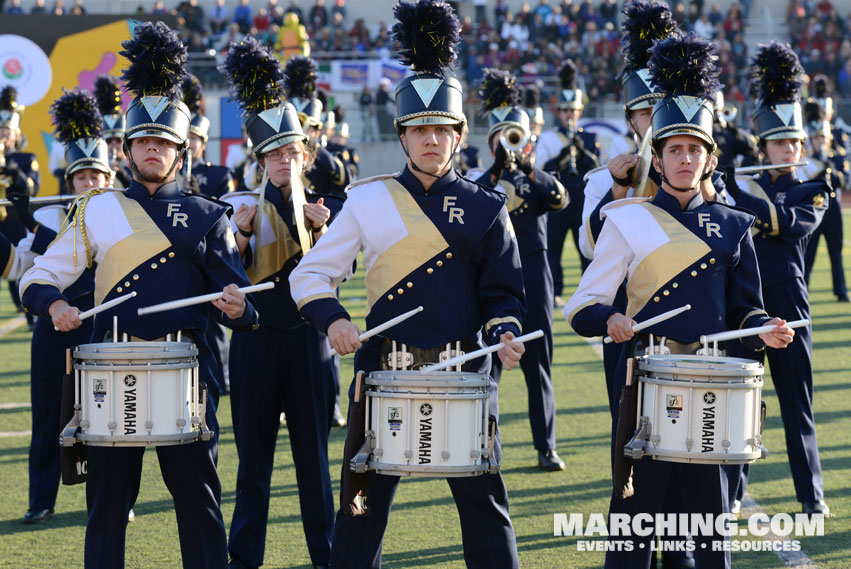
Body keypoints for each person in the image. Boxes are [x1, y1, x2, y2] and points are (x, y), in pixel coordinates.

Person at [290, 1, 526, 567]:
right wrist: (335, 319)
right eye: (418, 130)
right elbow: (310, 274)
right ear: (402, 135)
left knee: (486, 513)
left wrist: (507, 332)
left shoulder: (487, 208)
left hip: (464, 373)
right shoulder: (368, 199)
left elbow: (504, 293)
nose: (429, 141)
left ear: (458, 135)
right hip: (385, 373)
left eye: (440, 131)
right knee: (361, 512)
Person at [19, 22, 259, 569]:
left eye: (163, 143)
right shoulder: (96, 208)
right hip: (111, 368)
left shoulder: (207, 215)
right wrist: (53, 304)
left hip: (187, 372)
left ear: (180, 153)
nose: (153, 150)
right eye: (143, 141)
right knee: (107, 506)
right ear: (126, 150)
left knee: (198, 504)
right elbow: (39, 277)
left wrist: (239, 306)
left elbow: (245, 300)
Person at [563, 31, 795, 569]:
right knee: (633, 529)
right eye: (675, 149)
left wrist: (763, 328)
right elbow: (581, 306)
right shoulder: (625, 219)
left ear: (710, 158)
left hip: (712, 389)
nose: (685, 158)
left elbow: (745, 308)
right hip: (645, 381)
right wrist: (613, 318)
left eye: (695, 149)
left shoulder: (736, 226)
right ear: (659, 157)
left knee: (710, 534)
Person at [221, 37, 339, 569]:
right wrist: (240, 241)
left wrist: (327, 231)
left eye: (291, 152)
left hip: (311, 344)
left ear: (306, 154)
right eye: (273, 153)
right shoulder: (240, 208)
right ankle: (244, 557)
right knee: (253, 465)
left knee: (314, 462)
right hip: (254, 343)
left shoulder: (328, 207)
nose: (283, 161)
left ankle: (328, 554)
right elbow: (227, 281)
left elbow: (342, 273)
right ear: (260, 159)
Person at [726, 42, 831, 518]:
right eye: (778, 143)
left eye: (794, 143)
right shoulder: (743, 185)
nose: (786, 150)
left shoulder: (814, 190)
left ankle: (812, 496)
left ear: (802, 148)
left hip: (792, 310)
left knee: (796, 407)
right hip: (747, 307)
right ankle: (729, 496)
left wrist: (731, 188)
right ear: (762, 145)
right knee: (742, 409)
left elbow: (782, 222)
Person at [0, 89, 109, 525]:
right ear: (70, 183)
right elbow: (24, 270)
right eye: (82, 178)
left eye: (97, 176)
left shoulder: (122, 213)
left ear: (109, 176)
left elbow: (99, 263)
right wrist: (21, 225)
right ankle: (41, 498)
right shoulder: (49, 216)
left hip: (102, 325)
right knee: (47, 415)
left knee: (106, 419)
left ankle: (110, 496)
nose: (90, 184)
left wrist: (30, 225)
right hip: (52, 328)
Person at [474, 68, 568, 471]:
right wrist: (496, 168)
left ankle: (546, 445)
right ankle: (481, 442)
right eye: (501, 136)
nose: (507, 143)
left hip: (534, 272)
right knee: (487, 362)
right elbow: (473, 203)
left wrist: (527, 166)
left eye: (514, 135)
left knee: (539, 362)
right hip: (494, 278)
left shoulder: (535, 178)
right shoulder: (484, 181)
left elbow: (559, 198)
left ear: (527, 138)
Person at [536, 60, 600, 300]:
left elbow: (597, 169)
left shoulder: (590, 137)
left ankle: (589, 294)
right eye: (565, 111)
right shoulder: (549, 139)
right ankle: (552, 293)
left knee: (587, 249)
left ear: (579, 112)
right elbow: (539, 171)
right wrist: (558, 161)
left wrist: (582, 153)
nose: (569, 115)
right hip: (558, 203)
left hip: (582, 200)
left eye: (572, 111)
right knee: (553, 249)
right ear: (558, 112)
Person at [802, 99, 849, 302]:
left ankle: (841, 290)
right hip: (813, 209)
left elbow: (842, 182)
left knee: (835, 251)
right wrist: (818, 162)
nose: (820, 141)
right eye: (817, 138)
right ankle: (803, 288)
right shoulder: (806, 161)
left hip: (832, 208)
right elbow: (804, 182)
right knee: (809, 253)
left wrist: (828, 164)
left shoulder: (836, 157)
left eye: (823, 137)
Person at [0, 85, 40, 323]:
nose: (3, 133)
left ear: (16, 134)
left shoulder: (26, 159)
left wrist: (15, 173)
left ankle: (29, 315)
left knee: (19, 268)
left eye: (7, 129)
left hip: (14, 221)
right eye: (0, 128)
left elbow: (32, 189)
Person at [92, 75, 132, 188]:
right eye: (108, 141)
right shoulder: (95, 171)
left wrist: (120, 174)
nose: (114, 145)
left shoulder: (137, 167)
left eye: (119, 141)